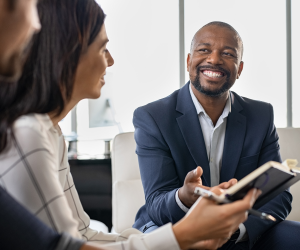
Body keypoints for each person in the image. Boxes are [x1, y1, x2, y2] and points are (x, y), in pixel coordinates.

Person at [0, 0, 262, 249]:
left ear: (239, 68)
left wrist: (174, 238)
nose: (111, 60)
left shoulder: (51, 133)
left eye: (227, 54)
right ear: (66, 52)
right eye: (102, 48)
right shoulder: (28, 132)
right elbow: (68, 246)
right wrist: (183, 235)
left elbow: (81, 234)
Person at [133, 21, 299, 249]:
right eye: (204, 50)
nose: (214, 59)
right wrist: (183, 195)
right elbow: (157, 203)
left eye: (228, 53)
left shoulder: (261, 115)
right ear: (189, 61)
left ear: (239, 69)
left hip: (240, 230)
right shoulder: (152, 117)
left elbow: (279, 196)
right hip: (173, 224)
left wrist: (233, 230)